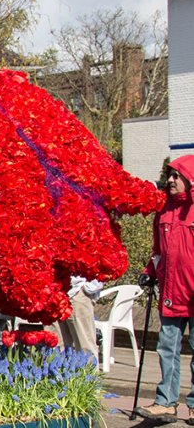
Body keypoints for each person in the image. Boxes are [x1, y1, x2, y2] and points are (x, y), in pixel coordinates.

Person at [136, 155, 194, 422]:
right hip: (171, 293)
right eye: (169, 175)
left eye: (176, 176)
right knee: (166, 348)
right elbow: (157, 250)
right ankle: (166, 402)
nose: (170, 180)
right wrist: (149, 272)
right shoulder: (163, 210)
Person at [52, 276, 102, 361]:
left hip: (77, 291)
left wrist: (88, 288)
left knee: (84, 344)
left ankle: (89, 374)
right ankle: (56, 374)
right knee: (55, 345)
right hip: (53, 290)